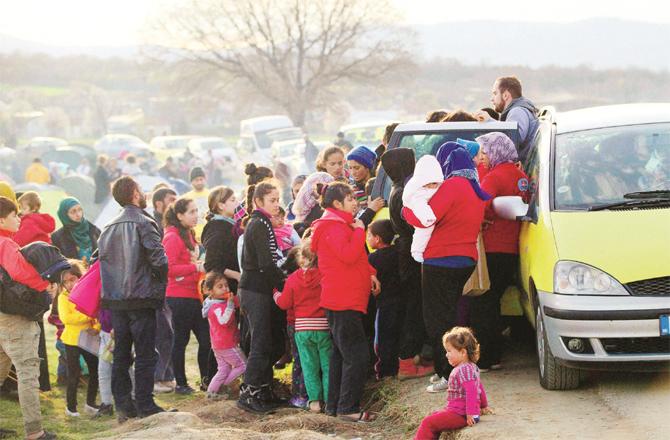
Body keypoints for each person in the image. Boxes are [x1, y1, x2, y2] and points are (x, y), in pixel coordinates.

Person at [403, 148, 488, 393]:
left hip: (441, 260)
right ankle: (463, 369)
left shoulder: (453, 186)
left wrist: (406, 209)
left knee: (437, 322)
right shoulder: (474, 187)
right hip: (465, 259)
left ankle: (449, 374)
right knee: (450, 317)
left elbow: (425, 218)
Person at [98, 176, 168, 421]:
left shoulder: (108, 227)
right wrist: (158, 290)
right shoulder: (144, 222)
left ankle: (124, 406)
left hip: (116, 300)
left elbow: (99, 262)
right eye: (141, 190)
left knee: (122, 354)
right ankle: (145, 404)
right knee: (146, 353)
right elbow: (160, 260)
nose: (144, 194)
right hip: (141, 298)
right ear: (135, 195)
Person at [310, 182, 380, 422]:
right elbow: (349, 255)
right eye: (350, 199)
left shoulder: (340, 224)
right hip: (342, 300)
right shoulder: (334, 226)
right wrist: (361, 229)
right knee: (357, 355)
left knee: (341, 355)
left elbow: (356, 257)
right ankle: (348, 408)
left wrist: (370, 272)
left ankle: (335, 407)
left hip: (345, 298)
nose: (355, 202)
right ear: (337, 204)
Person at [470, 132, 529, 371]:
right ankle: (493, 356)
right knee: (493, 302)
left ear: (495, 152)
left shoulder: (493, 178)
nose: (481, 157)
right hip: (513, 247)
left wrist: (478, 219)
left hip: (493, 247)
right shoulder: (521, 177)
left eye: (484, 151)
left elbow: (478, 207)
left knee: (484, 304)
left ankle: (486, 358)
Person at [0, 196, 57, 440]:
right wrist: (46, 284)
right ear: (2, 219)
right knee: (27, 372)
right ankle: (34, 431)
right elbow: (21, 272)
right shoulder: (7, 245)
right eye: (14, 215)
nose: (19, 218)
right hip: (14, 317)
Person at [380, 148, 433, 380]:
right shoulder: (404, 192)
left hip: (406, 249)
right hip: (411, 251)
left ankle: (411, 357)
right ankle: (407, 362)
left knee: (413, 304)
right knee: (413, 307)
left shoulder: (397, 188)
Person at [237, 181, 287, 414]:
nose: (277, 205)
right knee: (260, 342)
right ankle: (250, 392)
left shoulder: (263, 223)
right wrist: (284, 283)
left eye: (278, 200)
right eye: (272, 201)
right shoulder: (259, 223)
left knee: (270, 342)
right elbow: (266, 264)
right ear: (258, 202)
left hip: (261, 289)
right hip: (255, 289)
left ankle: (264, 389)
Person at [273, 239, 331, 413]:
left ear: (302, 259)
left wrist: (275, 293)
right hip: (323, 327)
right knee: (327, 366)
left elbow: (284, 303)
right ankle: (329, 401)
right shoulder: (325, 275)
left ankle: (314, 402)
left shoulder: (293, 279)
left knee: (308, 365)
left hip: (302, 329)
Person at [163, 197, 214, 394]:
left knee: (206, 339)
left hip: (195, 294)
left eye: (196, 211)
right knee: (181, 340)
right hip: (179, 296)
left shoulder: (188, 234)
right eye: (191, 212)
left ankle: (206, 380)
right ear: (179, 215)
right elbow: (169, 268)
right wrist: (195, 266)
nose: (196, 215)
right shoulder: (172, 237)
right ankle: (182, 383)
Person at [414, 327, 491, 440]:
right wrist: (484, 405)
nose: (446, 355)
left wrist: (471, 413)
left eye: (449, 351)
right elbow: (479, 386)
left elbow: (472, 391)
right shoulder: (471, 367)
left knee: (428, 423)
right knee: (434, 416)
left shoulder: (463, 369)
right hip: (461, 412)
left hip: (461, 414)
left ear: (463, 352)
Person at [57, 260, 100, 417]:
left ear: (80, 277)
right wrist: (87, 314)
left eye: (72, 279)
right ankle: (71, 407)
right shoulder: (63, 297)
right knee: (74, 374)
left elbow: (97, 314)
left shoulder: (88, 292)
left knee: (95, 371)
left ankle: (90, 403)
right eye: (65, 282)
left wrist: (96, 327)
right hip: (72, 341)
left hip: (89, 338)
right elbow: (67, 319)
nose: (69, 284)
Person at [366, 219, 404, 380]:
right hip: (400, 300)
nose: (367, 238)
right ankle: (396, 366)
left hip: (382, 304)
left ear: (377, 239)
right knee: (397, 334)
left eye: (369, 235)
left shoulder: (372, 259)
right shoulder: (399, 253)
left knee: (382, 337)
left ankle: (384, 371)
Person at [150, 187, 178, 394]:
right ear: (159, 204)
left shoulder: (168, 225)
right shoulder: (154, 226)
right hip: (156, 287)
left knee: (169, 332)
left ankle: (167, 374)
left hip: (166, 287)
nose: (174, 205)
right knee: (161, 333)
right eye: (171, 201)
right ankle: (159, 377)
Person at [201, 272, 246, 400]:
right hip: (227, 344)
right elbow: (224, 321)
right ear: (209, 291)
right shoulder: (216, 306)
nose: (225, 288)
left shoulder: (219, 302)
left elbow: (238, 301)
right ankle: (223, 387)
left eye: (226, 285)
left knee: (223, 369)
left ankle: (211, 393)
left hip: (218, 345)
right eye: (220, 286)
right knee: (243, 365)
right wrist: (231, 305)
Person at [483, 76, 539, 162]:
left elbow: (513, 140)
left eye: (495, 93)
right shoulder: (521, 110)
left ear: (505, 95)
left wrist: (488, 121)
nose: (492, 99)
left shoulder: (517, 111)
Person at [402, 155, 444, 263]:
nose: (432, 187)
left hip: (423, 217)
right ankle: (417, 251)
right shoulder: (417, 191)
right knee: (422, 232)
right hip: (422, 216)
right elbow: (419, 205)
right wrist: (427, 218)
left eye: (435, 183)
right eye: (429, 183)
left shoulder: (438, 188)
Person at [202, 187, 242, 293]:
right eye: (233, 200)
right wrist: (237, 275)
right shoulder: (216, 228)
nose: (237, 203)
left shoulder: (230, 225)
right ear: (221, 205)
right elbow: (211, 264)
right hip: (227, 290)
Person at [52, 197, 101, 263]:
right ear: (64, 215)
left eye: (79, 210)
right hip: (77, 272)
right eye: (73, 212)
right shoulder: (58, 237)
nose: (78, 214)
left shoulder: (93, 229)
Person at [346, 145, 385, 225]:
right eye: (350, 168)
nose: (353, 172)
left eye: (356, 168)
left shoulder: (380, 185)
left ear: (367, 168)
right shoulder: (350, 190)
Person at [292, 172, 334, 238]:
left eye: (302, 190)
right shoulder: (293, 211)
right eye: (297, 191)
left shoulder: (319, 209)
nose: (300, 194)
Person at [183, 166, 210, 241]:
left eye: (201, 179)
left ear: (205, 179)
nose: (199, 182)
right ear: (191, 182)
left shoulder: (211, 195)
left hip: (209, 235)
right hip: (192, 237)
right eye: (196, 180)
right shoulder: (186, 197)